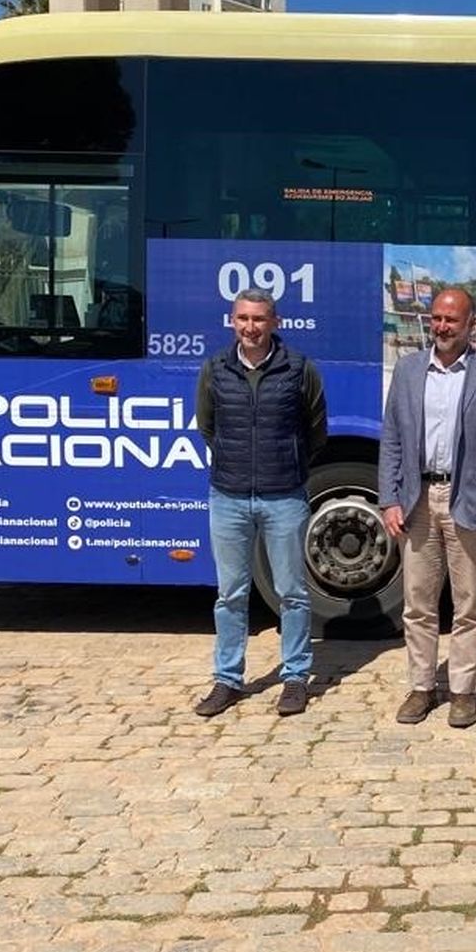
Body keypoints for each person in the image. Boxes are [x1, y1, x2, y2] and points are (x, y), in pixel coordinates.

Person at [379, 288, 476, 728]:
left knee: (468, 604)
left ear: (470, 323)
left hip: (469, 499)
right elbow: (393, 440)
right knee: (418, 603)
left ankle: (462, 692)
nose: (441, 327)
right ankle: (421, 688)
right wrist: (389, 498)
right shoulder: (407, 370)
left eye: (451, 320)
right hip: (417, 499)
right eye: (436, 318)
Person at [193, 288, 327, 719]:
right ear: (233, 321)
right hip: (228, 496)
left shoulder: (299, 369)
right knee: (230, 595)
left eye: (259, 319)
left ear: (275, 323)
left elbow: (315, 431)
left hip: (284, 496)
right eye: (243, 319)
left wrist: (284, 463)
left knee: (292, 592)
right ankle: (227, 680)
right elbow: (208, 427)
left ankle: (294, 678)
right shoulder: (215, 370)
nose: (251, 327)